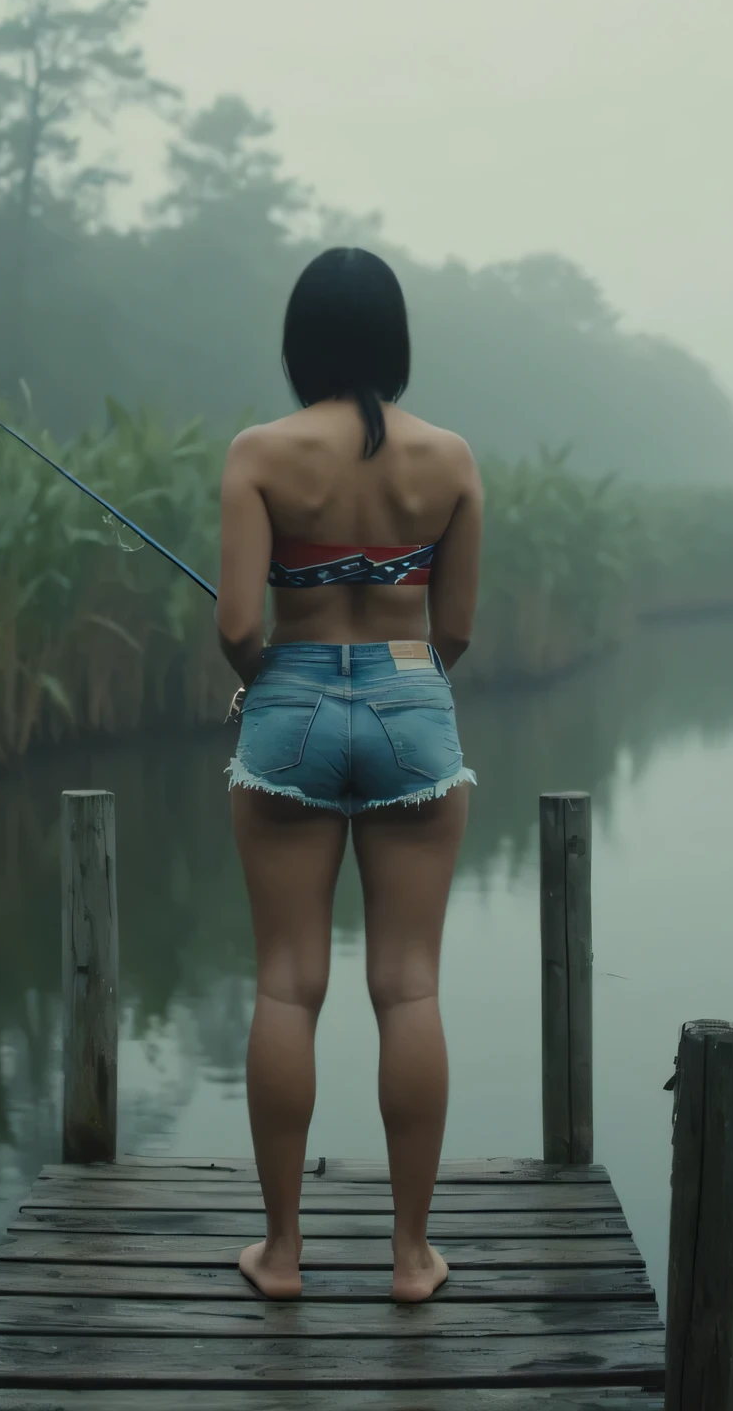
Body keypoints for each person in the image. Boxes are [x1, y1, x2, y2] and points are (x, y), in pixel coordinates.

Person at [215, 246, 483, 1304]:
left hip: (288, 710)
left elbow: (241, 625)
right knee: (407, 984)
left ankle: (280, 1255)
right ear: (394, 340)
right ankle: (410, 1258)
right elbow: (452, 628)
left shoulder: (259, 453)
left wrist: (273, 684)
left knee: (287, 984)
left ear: (300, 342)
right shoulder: (450, 459)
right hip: (414, 700)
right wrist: (396, 679)